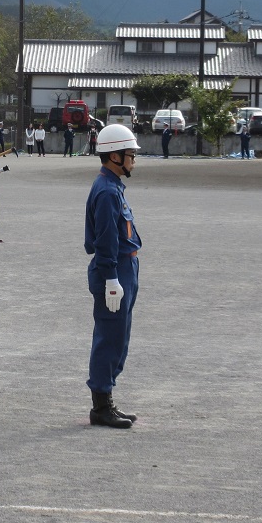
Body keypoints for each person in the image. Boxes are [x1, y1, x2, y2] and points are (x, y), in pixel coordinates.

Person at [84, 124, 143, 429]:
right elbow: (107, 238)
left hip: (123, 268)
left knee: (119, 336)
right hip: (114, 269)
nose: (133, 159)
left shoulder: (113, 186)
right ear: (115, 156)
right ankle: (101, 407)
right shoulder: (107, 192)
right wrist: (110, 278)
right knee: (109, 337)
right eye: (130, 154)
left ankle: (107, 400)